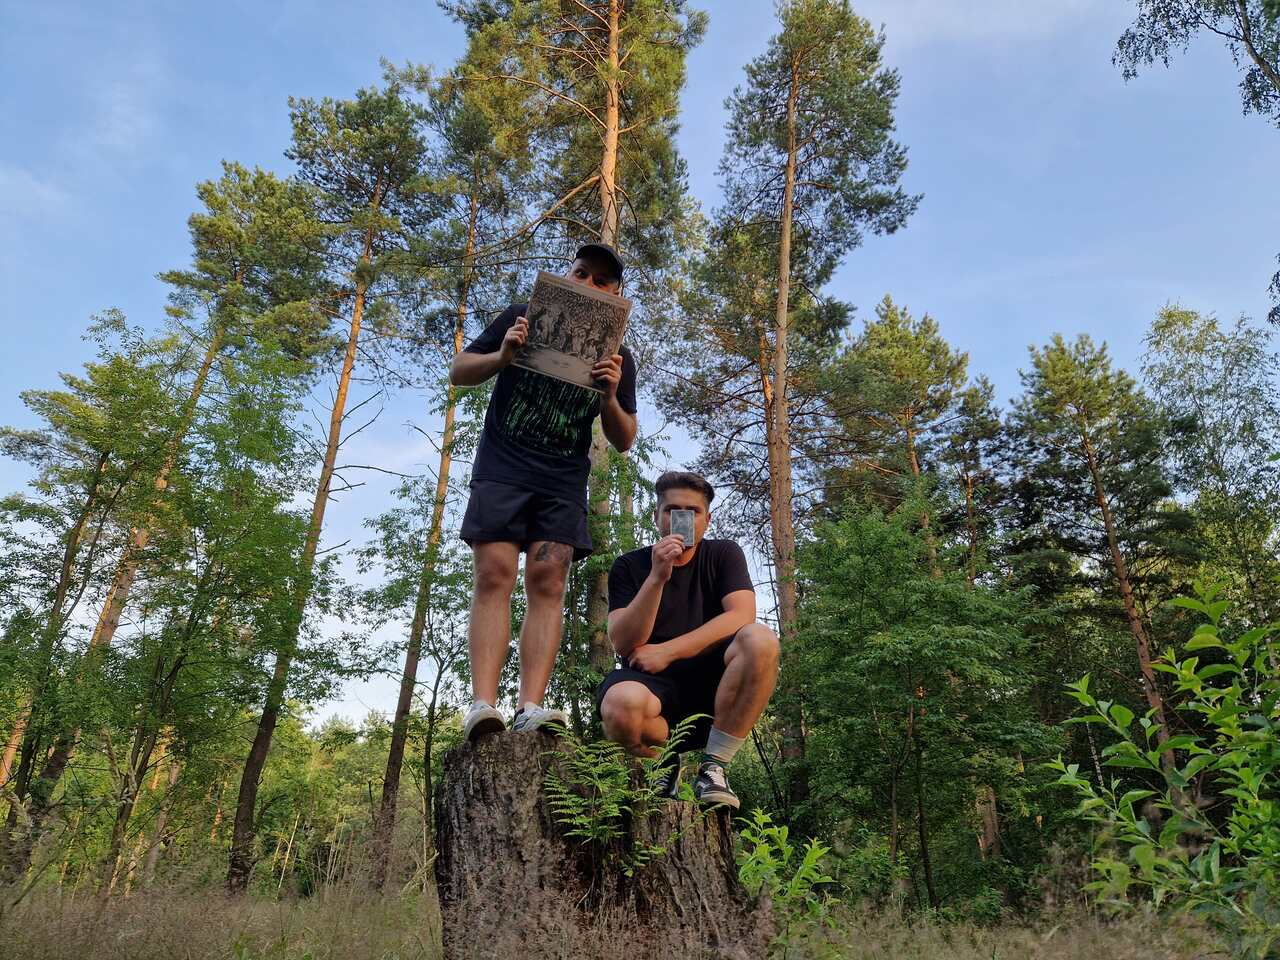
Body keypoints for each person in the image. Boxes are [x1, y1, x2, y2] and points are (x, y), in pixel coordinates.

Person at [451, 244, 638, 741]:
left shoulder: (619, 359)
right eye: (581, 273)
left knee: (548, 579)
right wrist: (503, 355)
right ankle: (482, 705)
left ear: (616, 294)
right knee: (494, 574)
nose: (589, 284)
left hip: (561, 479)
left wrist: (609, 393)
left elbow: (623, 440)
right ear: (566, 276)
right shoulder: (519, 318)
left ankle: (530, 705)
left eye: (603, 281)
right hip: (502, 467)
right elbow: (459, 373)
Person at [595, 471, 780, 809]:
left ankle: (714, 767)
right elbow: (622, 641)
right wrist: (656, 577)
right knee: (619, 709)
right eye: (671, 510)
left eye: (692, 511)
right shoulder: (629, 566)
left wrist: (668, 651)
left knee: (761, 640)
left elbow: (742, 616)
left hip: (718, 689)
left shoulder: (723, 554)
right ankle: (663, 761)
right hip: (651, 689)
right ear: (656, 517)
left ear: (706, 520)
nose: (682, 518)